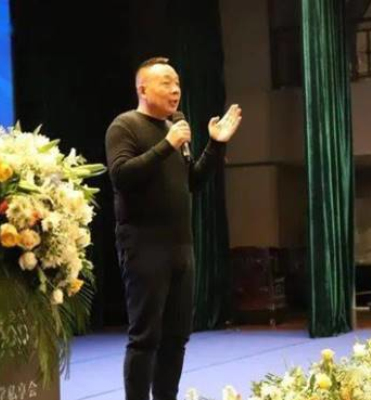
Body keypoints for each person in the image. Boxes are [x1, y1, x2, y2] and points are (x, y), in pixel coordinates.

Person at [105, 57, 242, 400]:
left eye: (177, 82)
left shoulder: (175, 128)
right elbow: (121, 175)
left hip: (181, 247)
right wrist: (167, 144)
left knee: (177, 337)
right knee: (145, 337)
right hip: (143, 245)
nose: (175, 89)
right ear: (143, 88)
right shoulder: (125, 125)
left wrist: (216, 144)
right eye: (166, 82)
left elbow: (192, 181)